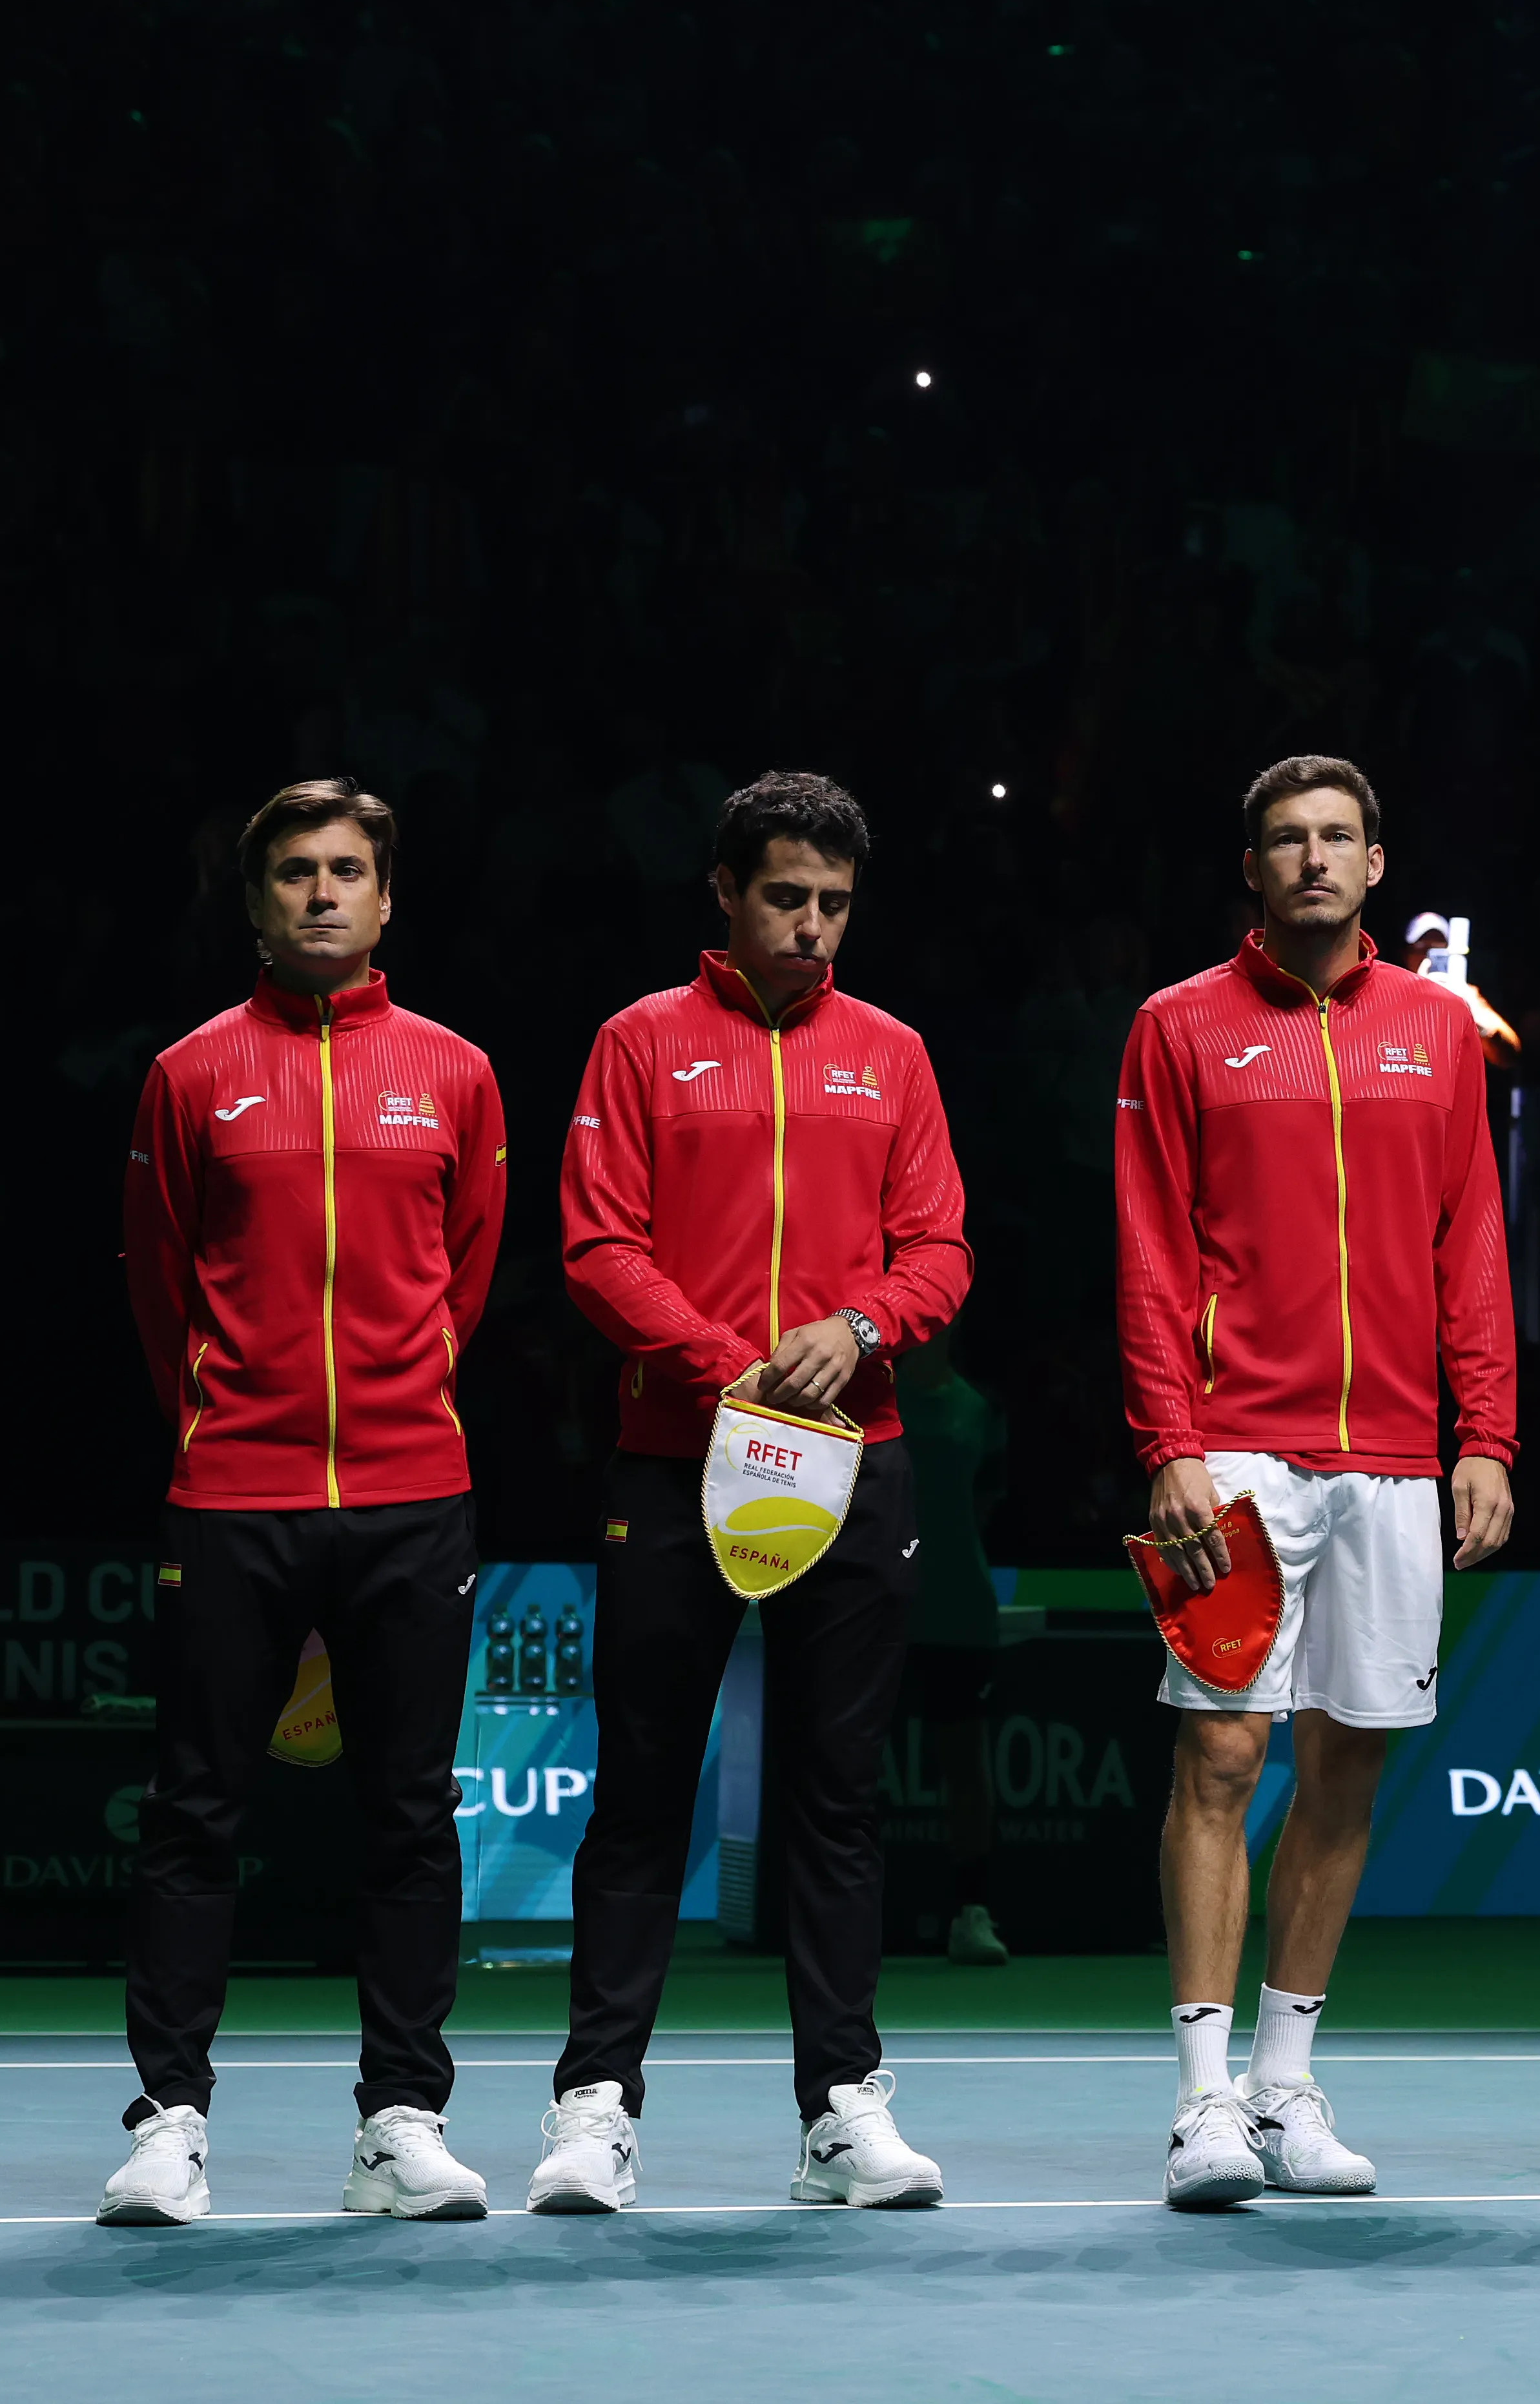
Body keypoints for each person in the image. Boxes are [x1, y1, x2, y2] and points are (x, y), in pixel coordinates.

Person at [529, 771, 974, 2214]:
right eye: (785, 896)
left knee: (839, 1799)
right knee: (646, 1790)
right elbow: (598, 1246)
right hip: (678, 1463)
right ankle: (595, 2106)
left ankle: (842, 2108)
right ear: (725, 892)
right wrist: (736, 1367)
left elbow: (942, 1246)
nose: (811, 928)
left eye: (835, 904)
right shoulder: (640, 1043)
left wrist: (861, 1329)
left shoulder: (892, 1052)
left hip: (859, 1458)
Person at [1116, 754, 1518, 2210]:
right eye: (1286, 839)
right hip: (1229, 1442)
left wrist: (1489, 1435)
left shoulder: (1436, 1029)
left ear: (1376, 861)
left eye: (1337, 836)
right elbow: (1152, 1247)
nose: (1313, 859)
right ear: (1253, 868)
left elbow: (1471, 1238)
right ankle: (1201, 2100)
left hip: (1399, 1452)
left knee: (1351, 1755)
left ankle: (1288, 2081)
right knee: (1221, 1755)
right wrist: (1166, 1439)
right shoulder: (1180, 1026)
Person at [105, 778, 508, 2226]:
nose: (322, 892)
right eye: (294, 872)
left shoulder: (457, 1071)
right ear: (257, 897)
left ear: (387, 897)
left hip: (414, 1492)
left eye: (348, 870)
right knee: (195, 1809)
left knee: (409, 1814)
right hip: (235, 1492)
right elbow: (161, 1285)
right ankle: (171, 2120)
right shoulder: (190, 1072)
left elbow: (464, 1276)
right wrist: (227, 1416)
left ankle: (400, 2120)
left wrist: (399, 1402)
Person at [897, 1328, 1012, 1965]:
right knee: (850, 1766)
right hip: (879, 1605)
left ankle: (971, 1912)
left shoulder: (978, 1408)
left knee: (966, 1762)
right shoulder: (875, 1398)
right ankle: (855, 1913)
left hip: (959, 1606)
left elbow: (989, 1506)